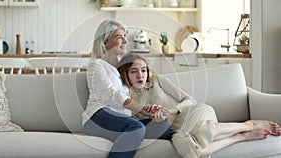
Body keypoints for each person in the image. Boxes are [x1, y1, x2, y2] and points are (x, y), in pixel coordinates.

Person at [117, 53, 281, 158]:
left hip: (193, 113)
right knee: (192, 152)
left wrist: (171, 111)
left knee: (199, 130)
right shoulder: (126, 99)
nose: (141, 75)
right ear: (126, 73)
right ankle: (240, 136)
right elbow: (139, 125)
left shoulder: (157, 81)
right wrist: (151, 115)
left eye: (144, 70)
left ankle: (248, 125)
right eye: (134, 71)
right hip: (176, 131)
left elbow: (189, 100)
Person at [82, 20, 171, 158]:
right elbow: (112, 94)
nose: (125, 40)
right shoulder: (96, 65)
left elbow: (139, 84)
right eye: (119, 37)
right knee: (136, 128)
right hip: (97, 117)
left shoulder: (123, 67)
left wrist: (150, 109)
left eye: (125, 36)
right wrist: (141, 109)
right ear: (104, 42)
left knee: (162, 126)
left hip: (121, 120)